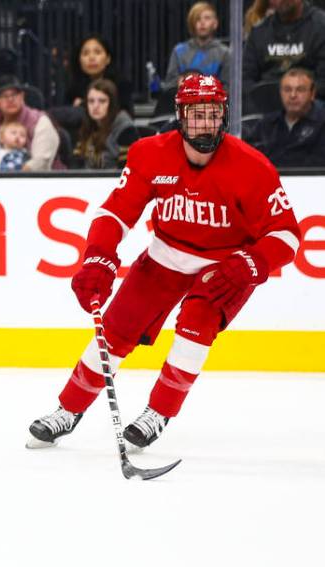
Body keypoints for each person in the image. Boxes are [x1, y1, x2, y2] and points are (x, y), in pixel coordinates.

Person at [25, 75, 300, 451]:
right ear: (180, 116)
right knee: (116, 329)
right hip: (165, 256)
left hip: (223, 266)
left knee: (195, 327)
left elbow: (286, 235)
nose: (205, 123)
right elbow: (115, 212)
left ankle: (159, 412)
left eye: (212, 114)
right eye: (196, 115)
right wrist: (98, 257)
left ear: (224, 116)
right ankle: (68, 409)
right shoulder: (149, 153)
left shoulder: (253, 168)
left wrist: (251, 262)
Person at [0, 75, 60, 172]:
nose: (10, 99)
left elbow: (40, 164)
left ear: (22, 97)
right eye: (4, 96)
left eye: (15, 94)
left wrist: (3, 174)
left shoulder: (40, 122)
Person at [242, 0, 325, 96]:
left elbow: (323, 80)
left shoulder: (321, 27)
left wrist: (300, 95)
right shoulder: (259, 32)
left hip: (313, 102)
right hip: (265, 103)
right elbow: (245, 79)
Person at [252, 67, 325, 166]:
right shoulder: (266, 124)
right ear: (280, 92)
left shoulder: (322, 123)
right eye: (287, 90)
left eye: (300, 90)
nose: (293, 95)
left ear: (312, 94)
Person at [163, 2, 232, 89]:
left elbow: (228, 87)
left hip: (214, 101)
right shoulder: (179, 51)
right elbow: (169, 85)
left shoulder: (225, 53)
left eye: (207, 18)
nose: (202, 22)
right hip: (183, 100)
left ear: (215, 23)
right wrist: (180, 83)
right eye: (198, 19)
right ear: (192, 23)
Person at [64, 34, 134, 115]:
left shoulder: (121, 86)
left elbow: (124, 116)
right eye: (85, 53)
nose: (91, 57)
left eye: (97, 52)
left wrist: (83, 105)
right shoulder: (73, 90)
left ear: (108, 59)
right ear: (79, 60)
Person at [73, 79, 135, 169]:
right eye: (91, 101)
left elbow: (127, 170)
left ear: (112, 104)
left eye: (102, 101)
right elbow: (76, 163)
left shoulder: (125, 128)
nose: (95, 106)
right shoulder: (87, 124)